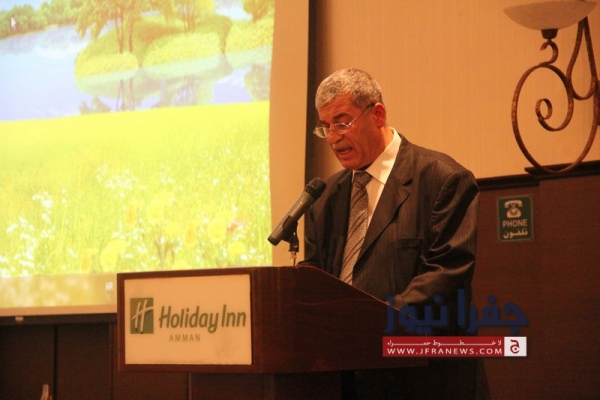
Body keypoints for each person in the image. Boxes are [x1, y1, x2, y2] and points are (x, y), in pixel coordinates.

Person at [300, 69, 485, 399]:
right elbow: (316, 277)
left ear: (378, 115)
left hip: (422, 379)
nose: (333, 138)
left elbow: (445, 274)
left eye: (342, 123)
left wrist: (367, 326)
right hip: (344, 379)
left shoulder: (443, 179)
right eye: (325, 127)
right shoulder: (324, 198)